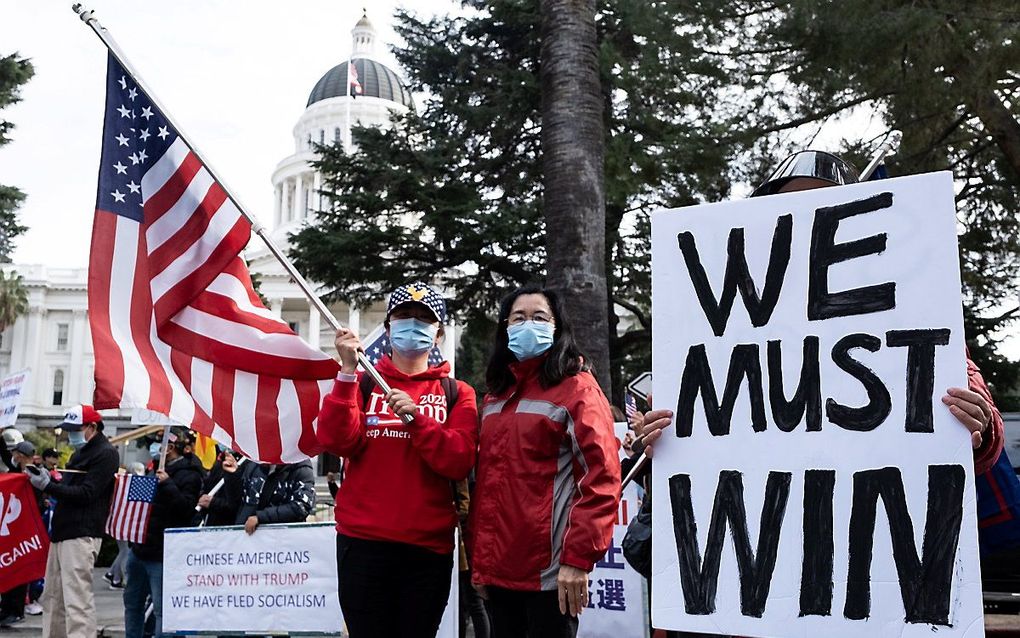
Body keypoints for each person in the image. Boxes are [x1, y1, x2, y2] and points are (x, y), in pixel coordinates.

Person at [317, 281, 478, 638]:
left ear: (438, 334)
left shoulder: (456, 392)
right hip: (363, 543)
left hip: (427, 549)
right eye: (405, 316)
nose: (414, 325)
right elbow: (334, 440)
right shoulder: (364, 384)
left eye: (424, 319)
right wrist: (345, 373)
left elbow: (459, 459)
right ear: (388, 328)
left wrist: (419, 421)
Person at [470, 285, 621, 638]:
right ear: (504, 328)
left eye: (539, 317)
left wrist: (577, 559)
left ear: (557, 327)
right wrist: (481, 566)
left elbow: (601, 479)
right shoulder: (496, 396)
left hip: (551, 575)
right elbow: (488, 487)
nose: (528, 325)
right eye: (518, 318)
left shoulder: (578, 389)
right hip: (498, 573)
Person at [25, 404, 118, 638]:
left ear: (92, 427)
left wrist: (49, 486)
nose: (70, 435)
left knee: (77, 601)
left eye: (75, 429)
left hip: (81, 532)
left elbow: (88, 493)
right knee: (53, 598)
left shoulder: (106, 453)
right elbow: (70, 489)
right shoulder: (81, 454)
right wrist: (50, 481)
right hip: (64, 531)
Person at [123, 429, 204, 638]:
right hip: (140, 549)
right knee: (133, 605)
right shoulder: (153, 469)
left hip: (163, 554)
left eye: (163, 443)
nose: (157, 447)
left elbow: (187, 511)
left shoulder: (191, 474)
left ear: (174, 449)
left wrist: (167, 483)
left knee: (163, 611)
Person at [0, 440, 45, 627]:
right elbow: (4, 456)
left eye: (17, 453)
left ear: (23, 455)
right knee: (8, 566)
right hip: (12, 526)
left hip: (24, 526)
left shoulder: (33, 473)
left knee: (20, 567)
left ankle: (16, 610)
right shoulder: (15, 470)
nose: (14, 456)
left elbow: (39, 499)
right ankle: (7, 607)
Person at [229, 459, 316, 532]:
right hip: (245, 537)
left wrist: (261, 517)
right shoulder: (253, 464)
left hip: (280, 539)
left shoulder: (301, 468)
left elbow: (301, 507)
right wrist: (232, 476)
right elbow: (237, 502)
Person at [104, 463, 145, 590]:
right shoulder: (127, 484)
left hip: (122, 521)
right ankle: (115, 579)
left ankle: (112, 575)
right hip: (124, 521)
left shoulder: (124, 483)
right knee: (124, 551)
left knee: (123, 550)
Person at [195, 448, 241, 527]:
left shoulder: (248, 463)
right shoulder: (220, 462)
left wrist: (214, 503)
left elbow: (238, 504)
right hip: (211, 523)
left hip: (229, 527)